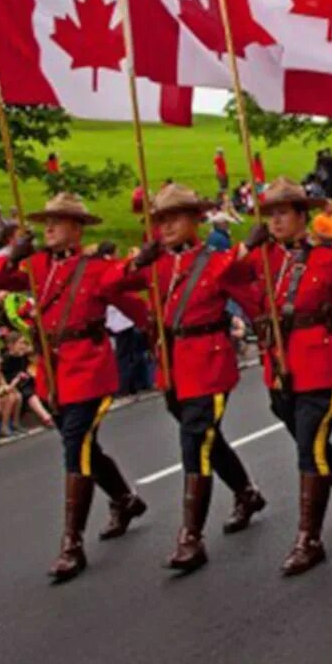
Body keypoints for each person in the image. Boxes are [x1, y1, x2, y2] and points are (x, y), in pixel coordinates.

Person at [0, 193, 149, 582]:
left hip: (89, 370)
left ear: (76, 229)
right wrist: (11, 251)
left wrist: (153, 325)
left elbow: (130, 288)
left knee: (77, 448)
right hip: (53, 373)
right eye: (46, 222)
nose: (49, 228)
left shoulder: (95, 268)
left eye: (57, 222)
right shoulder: (37, 265)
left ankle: (71, 543)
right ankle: (125, 500)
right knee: (82, 446)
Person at [121, 183, 267, 574]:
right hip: (172, 366)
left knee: (194, 443)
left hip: (208, 364)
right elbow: (111, 286)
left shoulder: (217, 262)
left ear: (195, 221)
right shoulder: (156, 263)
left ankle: (191, 537)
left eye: (175, 218)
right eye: (161, 219)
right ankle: (246, 492)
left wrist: (270, 342)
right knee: (208, 441)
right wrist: (136, 262)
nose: (166, 226)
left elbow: (254, 299)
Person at [239, 178, 332, 575]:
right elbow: (223, 279)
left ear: (303, 217)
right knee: (311, 442)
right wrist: (244, 248)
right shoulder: (261, 258)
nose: (276, 220)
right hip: (280, 369)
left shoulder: (327, 256)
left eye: (283, 212)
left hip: (321, 365)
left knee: (309, 449)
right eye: (271, 213)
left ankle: (309, 539)